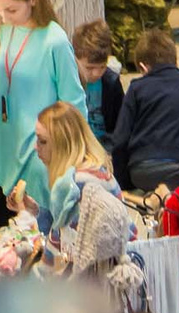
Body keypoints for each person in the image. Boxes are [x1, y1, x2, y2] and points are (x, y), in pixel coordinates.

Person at [0, 0, 86, 245]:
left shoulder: (55, 40)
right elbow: (3, 79)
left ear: (33, 0)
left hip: (37, 159)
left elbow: (74, 105)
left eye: (11, 9)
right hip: (5, 155)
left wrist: (69, 160)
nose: (5, 17)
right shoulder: (7, 30)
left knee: (30, 256)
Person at [109, 25, 179, 209]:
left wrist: (123, 183)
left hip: (141, 172)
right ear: (175, 60)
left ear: (143, 67)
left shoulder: (136, 88)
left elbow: (120, 141)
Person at [26, 99, 114, 233]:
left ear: (63, 145)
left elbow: (58, 243)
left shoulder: (72, 184)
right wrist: (36, 211)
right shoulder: (97, 170)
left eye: (42, 141)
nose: (35, 147)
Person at [73, 19, 123, 144]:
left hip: (105, 143)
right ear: (75, 59)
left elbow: (121, 123)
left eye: (102, 67)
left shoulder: (111, 83)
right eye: (89, 68)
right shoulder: (67, 81)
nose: (96, 73)